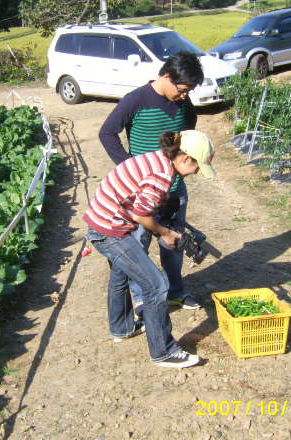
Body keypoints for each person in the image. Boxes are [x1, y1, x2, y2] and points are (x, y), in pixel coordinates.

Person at [84, 130, 216, 368]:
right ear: (186, 158)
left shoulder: (157, 159)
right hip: (110, 229)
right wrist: (166, 233)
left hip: (102, 220)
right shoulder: (162, 174)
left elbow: (141, 204)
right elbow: (141, 215)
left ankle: (121, 328)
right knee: (155, 284)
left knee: (121, 274)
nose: (197, 172)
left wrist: (163, 221)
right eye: (198, 166)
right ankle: (164, 351)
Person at [99, 51, 205, 316]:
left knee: (173, 241)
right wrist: (129, 168)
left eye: (188, 91)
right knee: (138, 245)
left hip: (173, 189)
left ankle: (176, 292)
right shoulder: (136, 100)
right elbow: (107, 132)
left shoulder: (183, 102)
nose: (184, 95)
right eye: (181, 89)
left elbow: (189, 126)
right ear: (166, 76)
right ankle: (141, 297)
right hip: (143, 191)